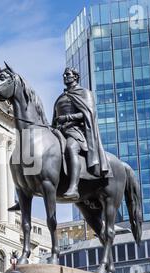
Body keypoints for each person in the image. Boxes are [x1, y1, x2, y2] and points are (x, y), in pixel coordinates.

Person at [51, 67, 111, 200]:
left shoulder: (85, 93)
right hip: (59, 131)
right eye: (64, 74)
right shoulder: (61, 97)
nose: (65, 76)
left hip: (77, 131)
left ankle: (74, 187)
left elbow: (88, 113)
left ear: (76, 77)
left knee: (70, 148)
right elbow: (55, 118)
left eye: (68, 74)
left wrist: (67, 118)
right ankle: (28, 190)